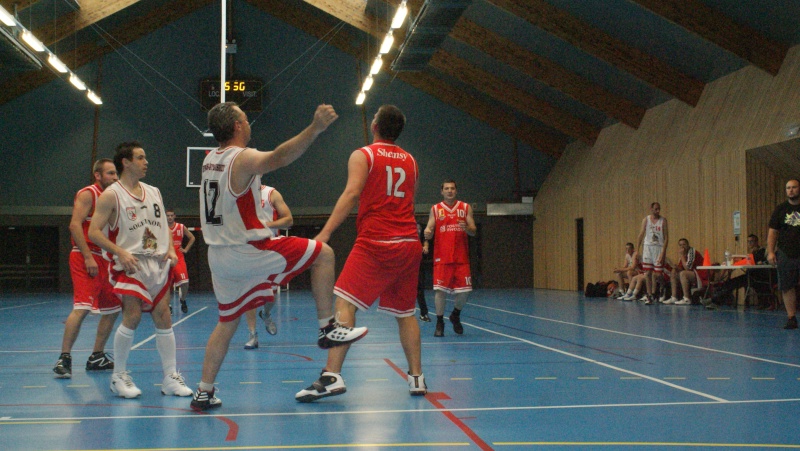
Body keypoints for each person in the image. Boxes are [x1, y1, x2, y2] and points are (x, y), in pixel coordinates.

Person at [192, 102, 366, 411]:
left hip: (218, 256)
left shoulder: (210, 161)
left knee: (227, 322)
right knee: (323, 253)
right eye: (245, 118)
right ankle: (328, 327)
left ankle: (204, 391)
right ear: (237, 127)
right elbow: (279, 157)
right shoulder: (241, 157)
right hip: (248, 249)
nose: (249, 122)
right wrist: (315, 129)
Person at [295, 104, 427, 402]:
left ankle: (331, 375)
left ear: (375, 125)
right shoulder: (411, 161)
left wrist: (325, 232)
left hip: (377, 241)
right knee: (406, 313)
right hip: (408, 243)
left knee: (344, 302)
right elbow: (409, 199)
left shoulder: (363, 154)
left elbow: (352, 193)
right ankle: (417, 378)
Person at [88, 142, 192, 399]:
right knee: (132, 316)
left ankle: (169, 377)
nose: (146, 162)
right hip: (130, 263)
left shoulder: (153, 191)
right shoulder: (112, 195)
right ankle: (118, 376)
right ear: (126, 162)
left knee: (164, 317)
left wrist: (169, 249)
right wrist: (120, 252)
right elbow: (93, 232)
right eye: (141, 158)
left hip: (157, 263)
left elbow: (163, 227)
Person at [53, 159, 121, 379]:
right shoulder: (88, 193)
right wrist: (87, 256)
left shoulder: (117, 197)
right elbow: (74, 225)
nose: (115, 177)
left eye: (116, 173)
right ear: (98, 176)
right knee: (82, 307)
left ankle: (97, 356)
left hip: (107, 259)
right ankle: (64, 358)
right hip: (86, 257)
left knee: (113, 309)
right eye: (110, 173)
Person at [423, 180, 477, 337]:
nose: (449, 191)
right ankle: (440, 323)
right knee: (440, 291)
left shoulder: (465, 208)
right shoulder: (436, 209)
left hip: (461, 257)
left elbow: (473, 230)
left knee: (465, 292)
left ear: (456, 191)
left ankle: (455, 314)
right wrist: (428, 232)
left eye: (452, 188)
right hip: (442, 257)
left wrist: (467, 228)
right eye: (446, 188)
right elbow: (429, 228)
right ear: (442, 192)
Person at [243, 184, 293, 350]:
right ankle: (252, 335)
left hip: (271, 248)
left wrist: (267, 225)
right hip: (248, 248)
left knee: (271, 295)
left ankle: (266, 314)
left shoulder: (271, 193)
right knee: (249, 295)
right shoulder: (238, 194)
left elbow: (288, 220)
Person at [768, 179, 800, 330]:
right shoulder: (781, 210)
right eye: (788, 188)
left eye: (794, 187)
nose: (791, 190)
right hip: (786, 252)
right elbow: (773, 232)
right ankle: (791, 317)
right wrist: (770, 251)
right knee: (787, 286)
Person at [708, 234, 768, 306]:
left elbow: (754, 261)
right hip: (749, 275)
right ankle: (714, 300)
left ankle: (714, 301)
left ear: (756, 242)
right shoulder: (751, 253)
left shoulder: (762, 251)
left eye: (751, 241)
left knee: (732, 283)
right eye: (748, 242)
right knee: (730, 282)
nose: (749, 243)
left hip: (757, 277)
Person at [635, 202, 669, 304]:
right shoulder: (646, 220)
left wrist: (663, 252)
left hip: (658, 247)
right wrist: (637, 250)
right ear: (651, 209)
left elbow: (666, 237)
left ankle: (662, 287)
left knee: (658, 274)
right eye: (656, 209)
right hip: (648, 248)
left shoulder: (663, 221)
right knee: (648, 273)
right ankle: (649, 295)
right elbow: (641, 234)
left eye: (659, 209)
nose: (658, 211)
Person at [166, 209, 195, 314]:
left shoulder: (181, 227)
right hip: (167, 257)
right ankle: (168, 305)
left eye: (171, 215)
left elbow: (192, 238)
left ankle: (182, 300)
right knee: (167, 284)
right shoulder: (162, 227)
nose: (169, 217)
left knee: (185, 282)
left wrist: (186, 249)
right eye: (167, 215)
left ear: (174, 216)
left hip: (178, 257)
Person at [662, 238, 708, 305]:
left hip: (700, 275)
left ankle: (686, 299)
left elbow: (687, 268)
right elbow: (681, 268)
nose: (682, 246)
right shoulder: (683, 254)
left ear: (688, 245)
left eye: (684, 244)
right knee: (674, 271)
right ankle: (674, 297)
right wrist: (674, 266)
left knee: (683, 274)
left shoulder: (692, 252)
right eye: (680, 245)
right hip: (692, 273)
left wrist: (682, 256)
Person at [417, 222, 431, 322]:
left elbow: (425, 241)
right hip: (405, 265)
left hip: (418, 265)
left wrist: (425, 246)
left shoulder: (420, 231)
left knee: (420, 290)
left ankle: (423, 313)